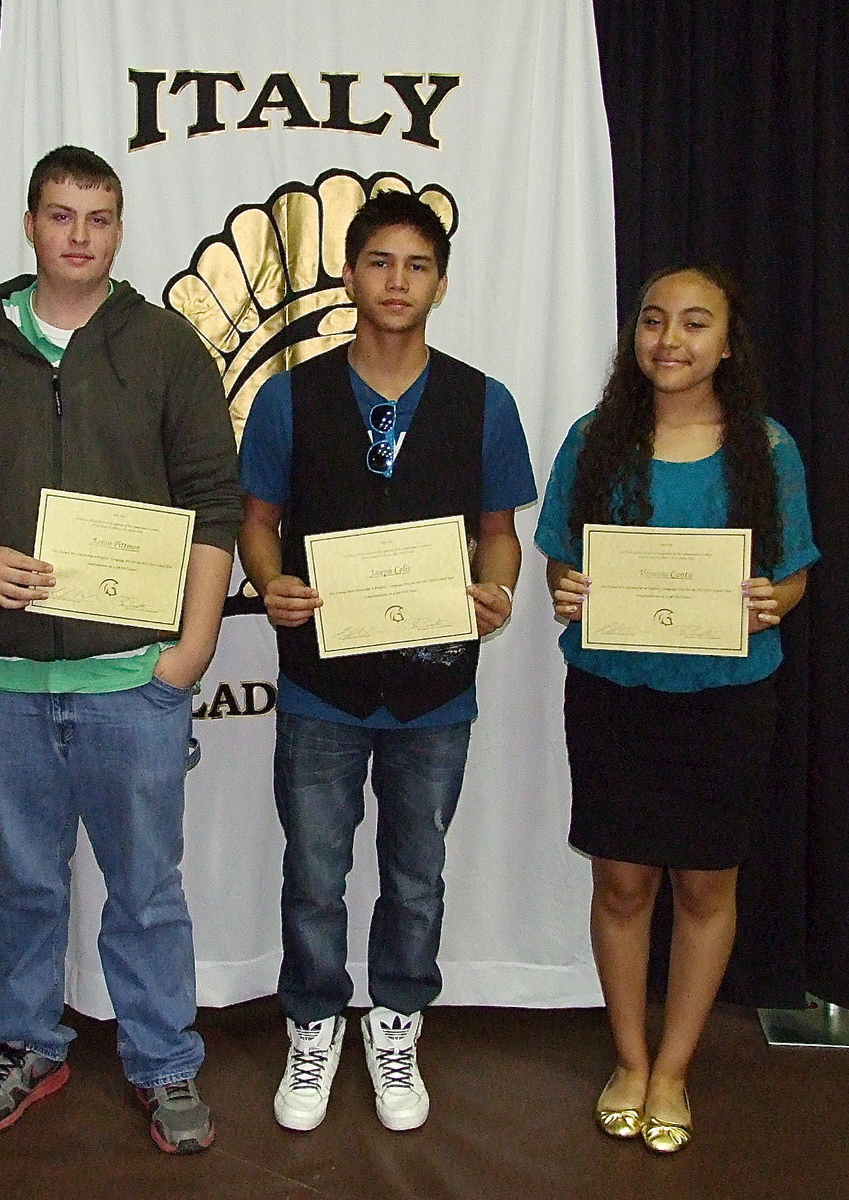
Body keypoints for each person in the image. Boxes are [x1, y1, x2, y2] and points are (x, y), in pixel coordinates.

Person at [0, 146, 241, 1154]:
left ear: (120, 228)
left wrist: (191, 647)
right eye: (61, 215)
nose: (79, 235)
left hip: (129, 674)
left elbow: (211, 504)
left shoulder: (167, 346)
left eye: (98, 217)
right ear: (31, 224)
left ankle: (164, 1060)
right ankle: (26, 1044)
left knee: (145, 884)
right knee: (25, 879)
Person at [237, 190, 537, 1133]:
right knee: (314, 874)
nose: (396, 281)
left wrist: (497, 591)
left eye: (416, 265)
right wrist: (273, 580)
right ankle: (316, 1021)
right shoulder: (290, 396)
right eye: (378, 262)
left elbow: (500, 537)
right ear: (350, 274)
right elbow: (256, 528)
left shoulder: (485, 402)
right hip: (320, 684)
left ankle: (397, 1019)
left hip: (434, 691)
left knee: (417, 876)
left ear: (440, 283)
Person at [535, 264, 818, 1154]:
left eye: (696, 324)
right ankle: (628, 1057)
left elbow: (797, 567)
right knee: (621, 883)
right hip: (615, 695)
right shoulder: (593, 439)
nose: (671, 339)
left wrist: (781, 598)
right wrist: (566, 585)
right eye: (655, 321)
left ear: (726, 343)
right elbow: (556, 557)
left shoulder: (765, 448)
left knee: (705, 884)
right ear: (635, 336)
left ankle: (673, 1070)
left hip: (727, 701)